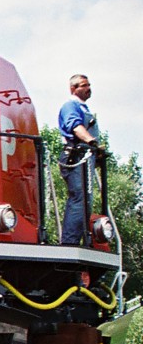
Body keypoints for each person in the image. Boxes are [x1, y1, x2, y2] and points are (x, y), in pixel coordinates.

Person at [58, 73, 102, 245]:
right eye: (84, 85)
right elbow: (75, 126)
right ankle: (70, 243)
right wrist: (91, 141)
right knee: (79, 197)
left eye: (89, 85)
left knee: (86, 199)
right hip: (76, 156)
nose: (88, 88)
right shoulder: (71, 105)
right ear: (73, 88)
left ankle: (80, 239)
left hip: (85, 157)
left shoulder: (84, 108)